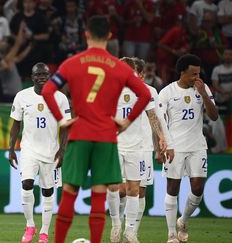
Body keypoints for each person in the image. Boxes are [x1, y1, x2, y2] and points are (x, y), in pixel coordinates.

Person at [41, 15, 152, 243]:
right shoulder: (120, 68)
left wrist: (62, 120)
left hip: (80, 134)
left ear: (86, 35)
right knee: (99, 197)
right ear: (110, 36)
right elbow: (145, 94)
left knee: (70, 194)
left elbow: (47, 91)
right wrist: (127, 121)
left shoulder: (72, 63)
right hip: (106, 137)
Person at [106, 57, 171, 243]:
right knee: (115, 189)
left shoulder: (144, 91)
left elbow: (153, 116)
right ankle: (116, 224)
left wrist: (161, 138)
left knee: (134, 190)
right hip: (115, 145)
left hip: (138, 147)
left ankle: (130, 231)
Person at [158, 54, 218, 243]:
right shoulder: (167, 92)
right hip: (174, 146)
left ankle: (183, 220)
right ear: (182, 72)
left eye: (199, 74)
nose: (197, 78)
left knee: (198, 188)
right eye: (193, 74)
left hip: (197, 145)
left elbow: (214, 116)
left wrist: (203, 95)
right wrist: (161, 144)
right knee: (172, 188)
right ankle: (171, 234)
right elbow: (159, 121)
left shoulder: (203, 88)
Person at [8, 62, 70, 243]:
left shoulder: (60, 98)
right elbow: (16, 124)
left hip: (51, 151)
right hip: (28, 149)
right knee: (26, 184)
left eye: (45, 74)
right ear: (32, 77)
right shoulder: (22, 96)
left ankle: (44, 231)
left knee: (48, 191)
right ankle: (30, 225)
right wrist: (11, 149)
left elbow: (65, 127)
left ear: (50, 76)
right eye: (38, 75)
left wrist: (62, 150)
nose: (41, 77)